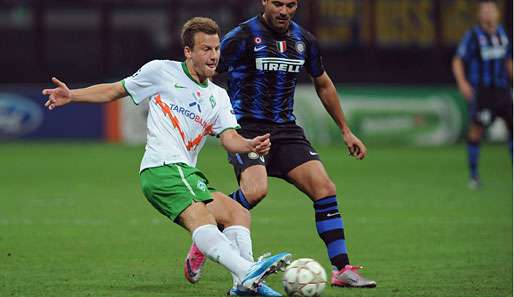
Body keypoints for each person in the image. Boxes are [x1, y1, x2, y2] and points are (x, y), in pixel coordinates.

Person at [42, 17, 292, 295]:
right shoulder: (160, 72)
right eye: (205, 49)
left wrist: (249, 145)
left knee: (237, 213)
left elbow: (229, 138)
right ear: (188, 51)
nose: (213, 56)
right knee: (203, 219)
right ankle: (247, 273)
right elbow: (115, 90)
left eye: (217, 48)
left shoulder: (219, 96)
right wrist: (72, 95)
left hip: (183, 171)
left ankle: (243, 284)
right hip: (162, 168)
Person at [184, 0, 376, 289]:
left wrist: (346, 131)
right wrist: (205, 117)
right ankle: (205, 234)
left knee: (325, 188)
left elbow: (323, 83)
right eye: (277, 3)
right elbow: (204, 73)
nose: (284, 11)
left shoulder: (304, 40)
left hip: (286, 131)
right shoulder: (242, 37)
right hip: (246, 128)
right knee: (256, 191)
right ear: (264, 2)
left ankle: (341, 269)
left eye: (290, 4)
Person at [452, 0, 513, 189]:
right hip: (483, 92)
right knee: (476, 131)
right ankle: (473, 176)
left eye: (491, 10)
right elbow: (458, 60)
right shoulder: (473, 36)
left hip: (502, 91)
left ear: (497, 14)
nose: (488, 14)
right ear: (480, 15)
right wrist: (462, 83)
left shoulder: (503, 34)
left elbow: (508, 61)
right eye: (484, 11)